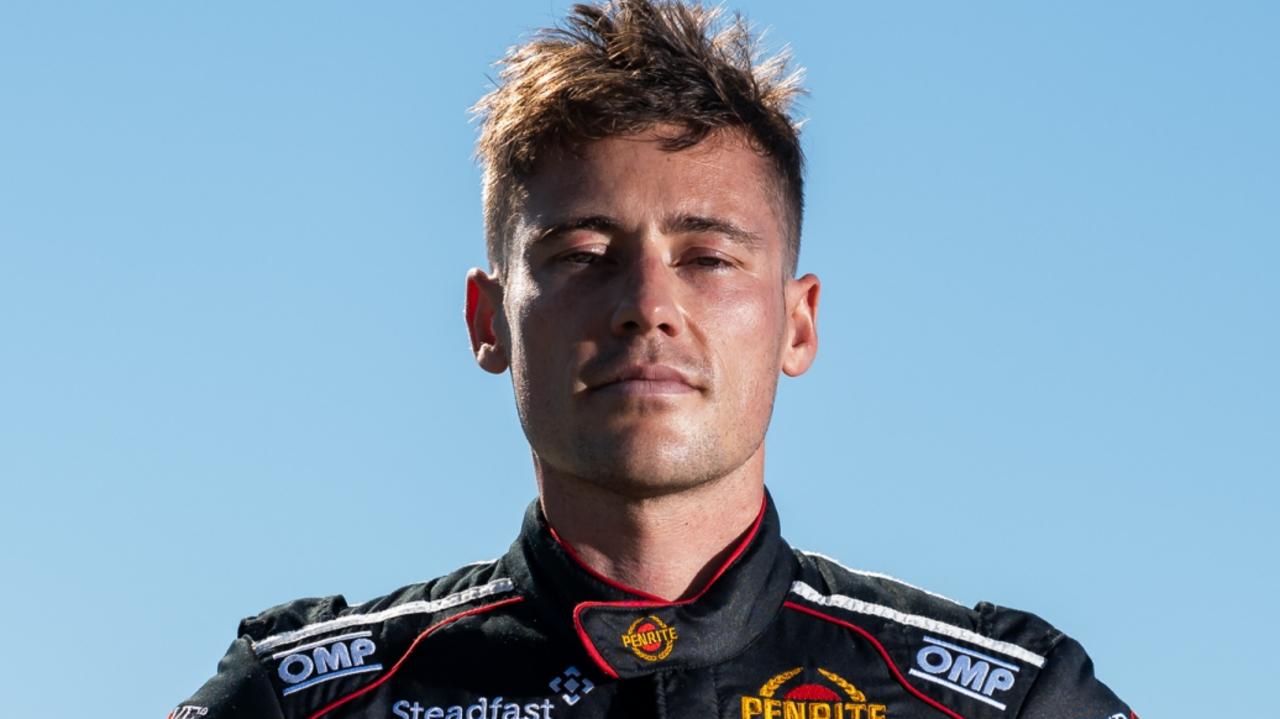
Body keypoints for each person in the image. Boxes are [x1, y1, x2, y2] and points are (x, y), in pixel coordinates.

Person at [171, 2, 1137, 718]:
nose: (647, 307)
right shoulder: (298, 701)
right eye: (584, 256)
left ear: (798, 323)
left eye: (708, 257)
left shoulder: (1008, 703)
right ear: (489, 319)